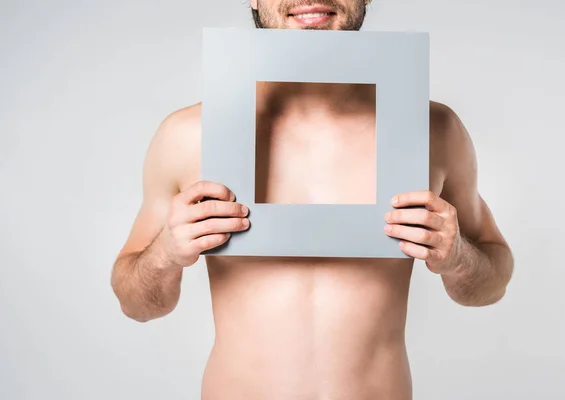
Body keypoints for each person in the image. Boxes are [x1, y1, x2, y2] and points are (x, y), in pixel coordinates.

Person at [110, 1, 514, 399]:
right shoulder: (189, 135)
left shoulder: (433, 130)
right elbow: (137, 304)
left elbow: (491, 285)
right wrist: (165, 253)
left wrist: (457, 256)